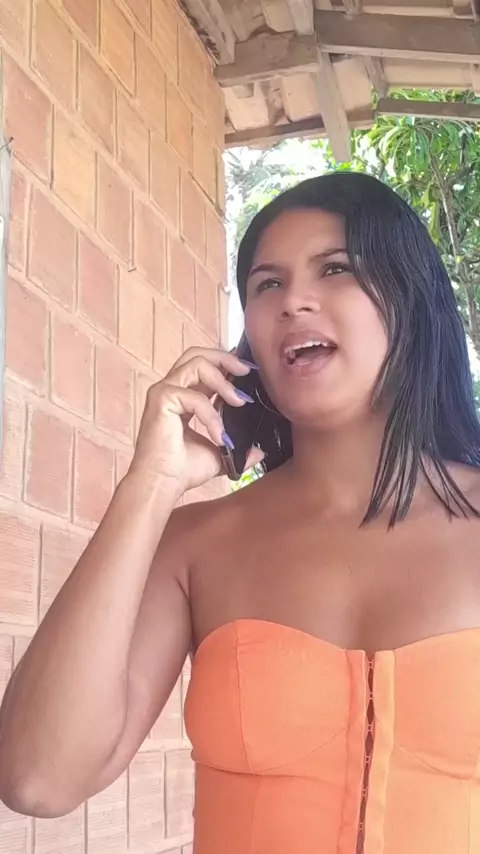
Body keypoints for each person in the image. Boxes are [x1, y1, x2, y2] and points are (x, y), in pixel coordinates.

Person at [1, 172, 480, 854]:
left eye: (335, 268)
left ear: (409, 298)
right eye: (267, 284)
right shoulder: (197, 546)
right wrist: (152, 482)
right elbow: (38, 779)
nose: (293, 301)